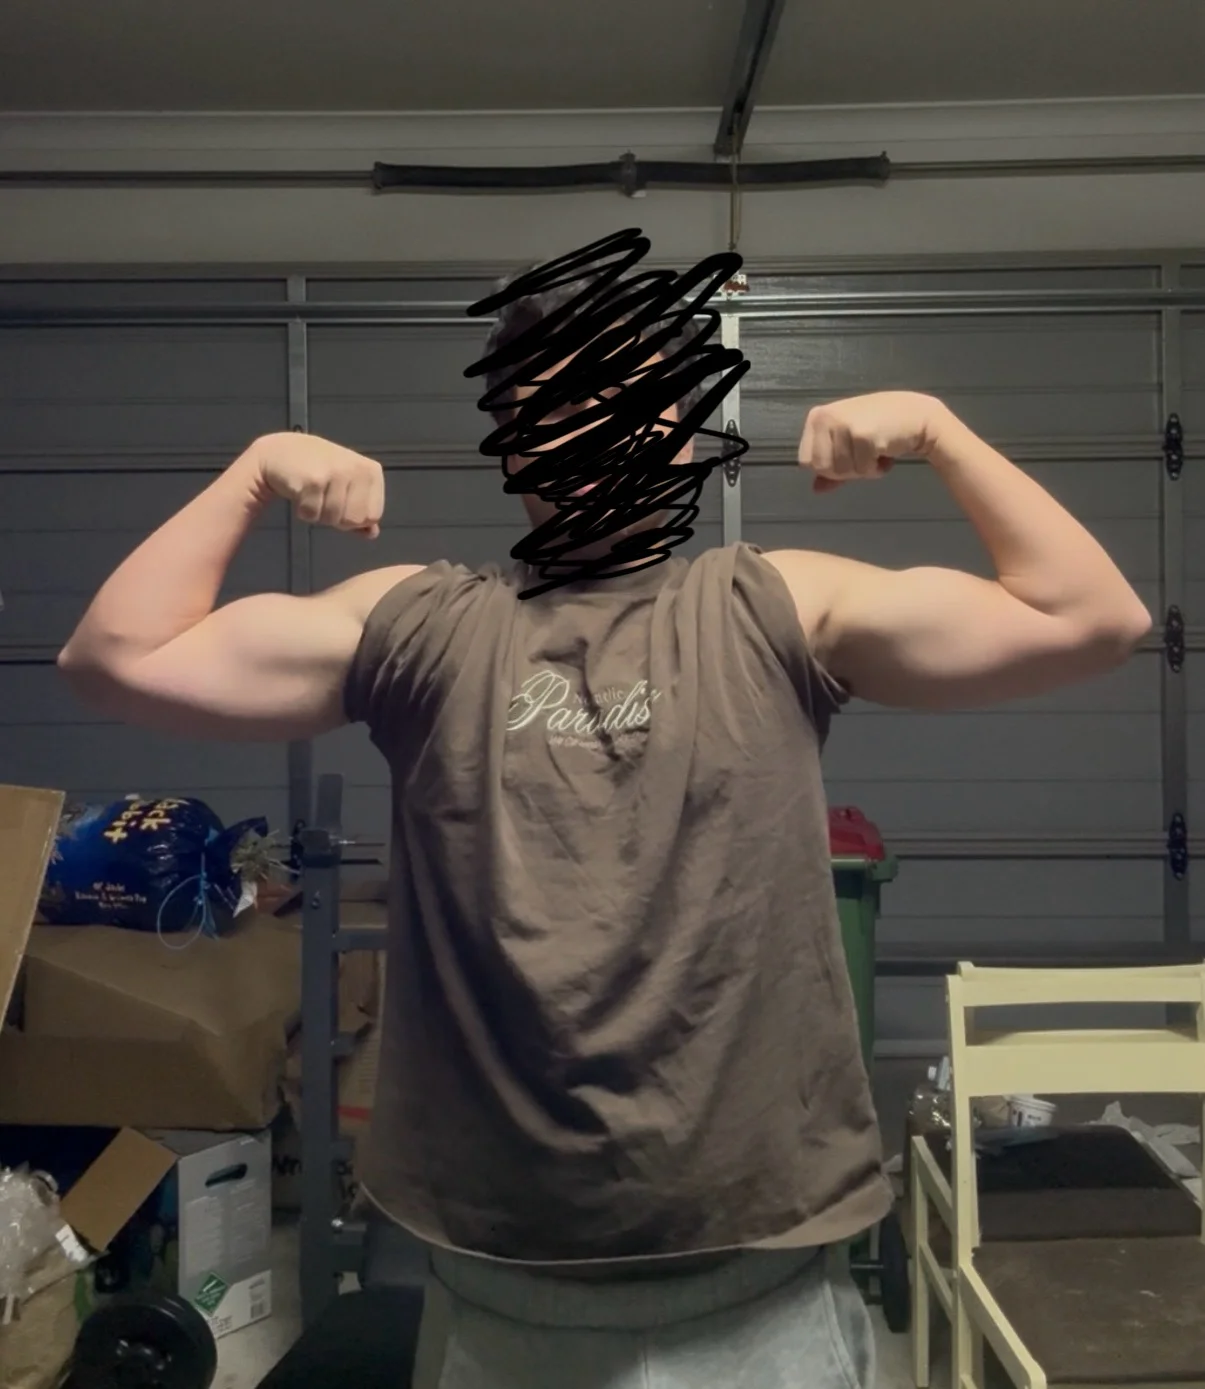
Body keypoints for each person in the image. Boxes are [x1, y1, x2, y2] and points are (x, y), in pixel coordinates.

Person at [59, 267, 1150, 1389]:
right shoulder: (422, 624)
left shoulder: (772, 606)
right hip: (499, 1297)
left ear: (680, 427)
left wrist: (937, 431)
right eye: (553, 403)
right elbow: (116, 657)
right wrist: (252, 473)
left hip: (761, 1292)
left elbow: (1091, 616)